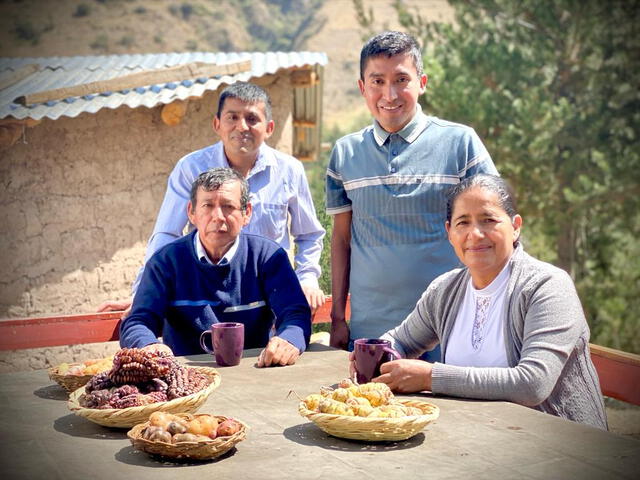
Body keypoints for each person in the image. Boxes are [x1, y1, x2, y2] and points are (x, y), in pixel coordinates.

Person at [359, 174, 607, 429]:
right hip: (476, 440)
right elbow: (401, 340)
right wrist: (375, 351)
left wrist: (430, 377)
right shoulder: (445, 290)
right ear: (449, 232)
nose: (475, 234)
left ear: (516, 226)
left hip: (561, 448)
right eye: (462, 223)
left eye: (488, 220)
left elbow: (533, 384)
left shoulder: (547, 287)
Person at [326, 31, 498, 353]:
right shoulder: (344, 154)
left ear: (422, 82)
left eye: (401, 79)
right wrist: (337, 317)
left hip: (450, 326)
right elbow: (342, 239)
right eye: (377, 81)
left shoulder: (461, 144)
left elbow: (495, 226)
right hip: (371, 332)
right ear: (362, 87)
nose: (389, 94)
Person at [99, 81, 326, 314]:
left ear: (269, 128)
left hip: (270, 299)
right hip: (206, 301)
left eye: (252, 119)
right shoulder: (191, 168)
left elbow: (308, 234)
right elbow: (167, 234)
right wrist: (143, 293)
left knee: (274, 349)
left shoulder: (289, 170)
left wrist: (307, 278)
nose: (242, 127)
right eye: (232, 118)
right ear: (217, 124)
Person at [119, 168, 311, 367]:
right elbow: (137, 322)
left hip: (255, 372)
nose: (218, 216)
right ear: (191, 213)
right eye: (207, 205)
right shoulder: (166, 262)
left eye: (228, 206)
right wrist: (149, 346)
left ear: (247, 213)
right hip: (186, 381)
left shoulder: (267, 257)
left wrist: (289, 339)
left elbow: (295, 313)